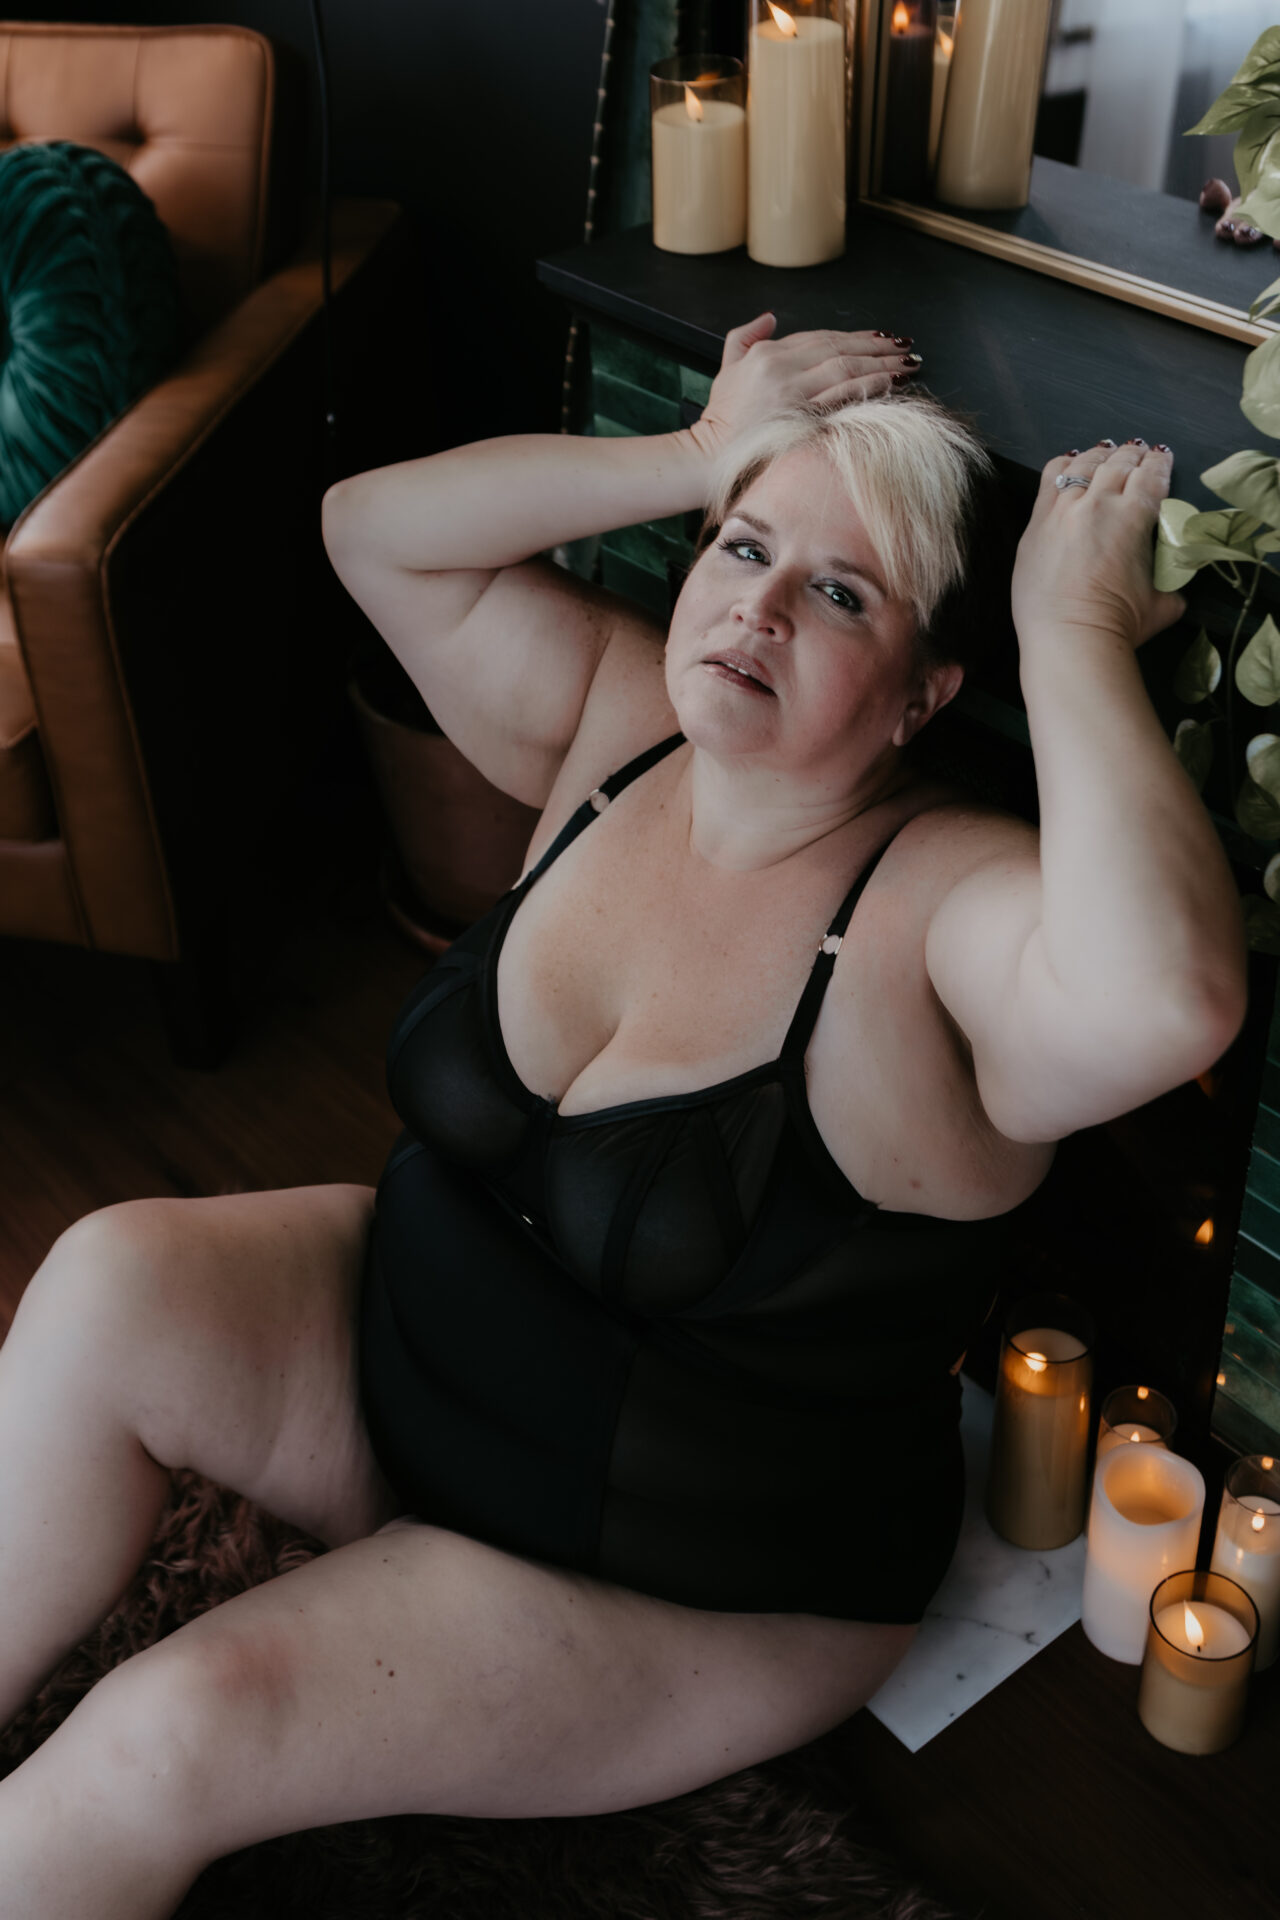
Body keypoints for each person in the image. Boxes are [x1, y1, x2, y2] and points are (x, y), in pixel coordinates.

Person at [0, 315, 1247, 1918]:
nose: (758, 609)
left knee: (174, 1731)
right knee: (108, 1277)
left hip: (676, 1579)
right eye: (745, 546)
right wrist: (695, 449)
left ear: (923, 694)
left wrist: (1070, 630)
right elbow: (368, 528)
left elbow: (1169, 1002)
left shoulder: (943, 910)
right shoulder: (615, 718)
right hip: (405, 1374)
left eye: (842, 594)